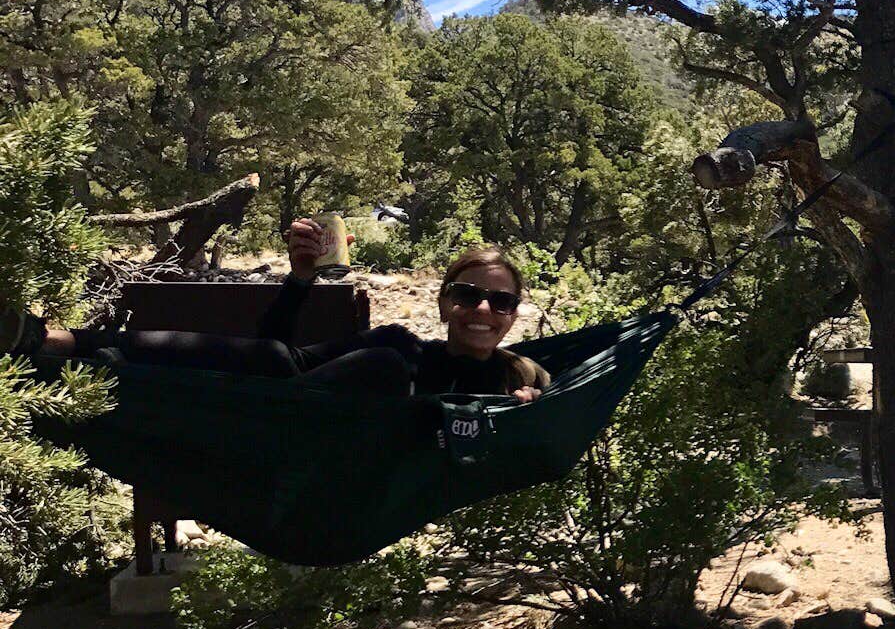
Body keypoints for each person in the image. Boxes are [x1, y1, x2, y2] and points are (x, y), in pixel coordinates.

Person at [2, 220, 550, 400]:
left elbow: (546, 416)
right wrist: (301, 280)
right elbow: (286, 355)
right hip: (284, 412)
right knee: (385, 352)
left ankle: (61, 343)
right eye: (467, 295)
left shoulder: (520, 376)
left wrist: (528, 405)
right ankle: (58, 343)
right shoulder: (400, 340)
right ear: (445, 301)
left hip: (339, 445)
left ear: (514, 313)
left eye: (500, 300)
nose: (482, 308)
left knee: (384, 364)